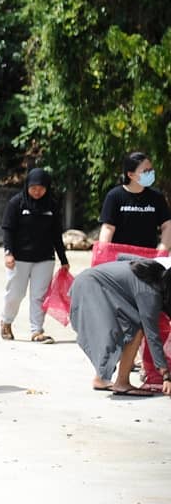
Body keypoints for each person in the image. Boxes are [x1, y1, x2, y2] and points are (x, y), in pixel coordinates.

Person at [97, 151, 171, 388]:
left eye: (151, 169)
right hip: (122, 264)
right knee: (123, 319)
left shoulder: (156, 198)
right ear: (130, 174)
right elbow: (108, 228)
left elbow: (167, 226)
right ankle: (105, 373)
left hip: (149, 266)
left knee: (151, 316)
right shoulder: (115, 196)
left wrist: (162, 249)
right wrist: (102, 257)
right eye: (145, 170)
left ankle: (149, 370)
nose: (150, 174)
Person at [70, 258, 171, 397]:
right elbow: (152, 335)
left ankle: (101, 378)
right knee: (135, 330)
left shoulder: (155, 272)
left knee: (129, 327)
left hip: (91, 282)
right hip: (91, 287)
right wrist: (166, 374)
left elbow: (122, 258)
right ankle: (122, 383)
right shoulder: (150, 294)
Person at [0, 168, 70, 343]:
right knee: (15, 293)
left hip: (45, 258)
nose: (37, 191)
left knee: (39, 295)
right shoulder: (16, 203)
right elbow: (8, 229)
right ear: (27, 186)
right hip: (19, 258)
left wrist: (63, 259)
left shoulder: (52, 206)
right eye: (33, 188)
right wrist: (8, 253)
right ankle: (6, 321)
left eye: (41, 188)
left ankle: (37, 331)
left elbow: (56, 234)